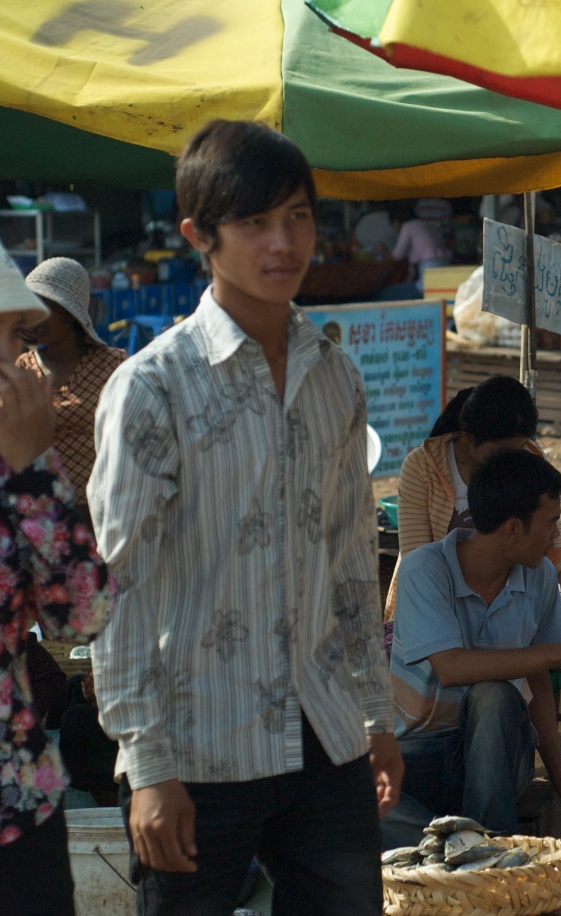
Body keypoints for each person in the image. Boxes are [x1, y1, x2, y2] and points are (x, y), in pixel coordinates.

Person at [90, 120, 400, 916]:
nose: (282, 241)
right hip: (198, 742)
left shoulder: (336, 377)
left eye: (296, 215)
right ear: (201, 234)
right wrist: (148, 765)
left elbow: (351, 559)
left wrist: (376, 712)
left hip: (325, 729)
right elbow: (119, 587)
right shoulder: (152, 388)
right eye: (255, 222)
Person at [387, 448, 561, 843]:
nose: (554, 538)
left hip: (499, 757)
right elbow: (451, 668)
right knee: (343, 790)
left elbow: (539, 682)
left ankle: (480, 849)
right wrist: (560, 653)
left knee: (493, 697)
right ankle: (464, 848)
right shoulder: (424, 570)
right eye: (550, 524)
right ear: (512, 529)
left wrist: (560, 774)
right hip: (420, 752)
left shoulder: (540, 576)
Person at [0, 251, 116, 916]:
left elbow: (86, 610)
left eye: (25, 336)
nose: (25, 358)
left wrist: (34, 473)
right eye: (14, 336)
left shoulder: (22, 456)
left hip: (22, 805)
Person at [391, 376, 561, 632]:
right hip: (435, 608)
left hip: (506, 608)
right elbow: (418, 560)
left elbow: (547, 522)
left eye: (518, 449)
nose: (511, 461)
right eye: (503, 451)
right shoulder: (422, 467)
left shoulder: (525, 456)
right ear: (470, 438)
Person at [17, 257, 127, 508]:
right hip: (45, 513)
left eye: (47, 308)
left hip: (105, 505)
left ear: (70, 313)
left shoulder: (112, 366)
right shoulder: (24, 369)